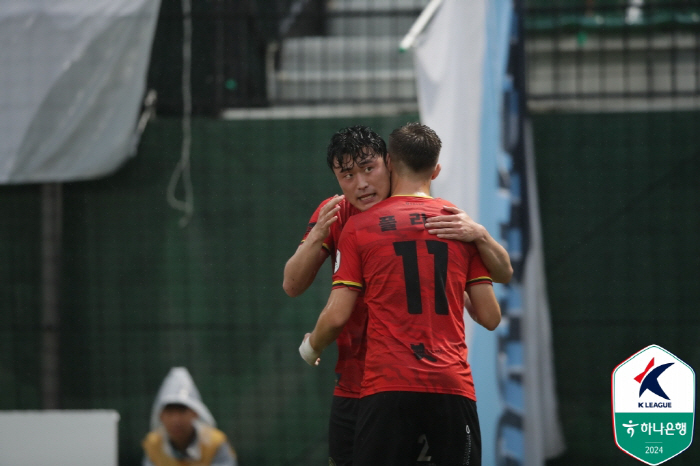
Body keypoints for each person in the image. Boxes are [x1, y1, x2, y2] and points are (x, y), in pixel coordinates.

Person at [284, 126, 511, 466]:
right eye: (347, 175)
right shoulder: (337, 215)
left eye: (368, 169)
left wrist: (312, 345)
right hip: (362, 382)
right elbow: (292, 284)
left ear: (389, 164)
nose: (360, 183)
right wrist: (318, 233)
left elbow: (335, 314)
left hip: (390, 381)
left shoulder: (440, 221)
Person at [142, 367, 238, 466]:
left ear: (196, 413)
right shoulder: (153, 445)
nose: (176, 419)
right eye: (169, 412)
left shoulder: (215, 443)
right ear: (160, 415)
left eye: (182, 411)